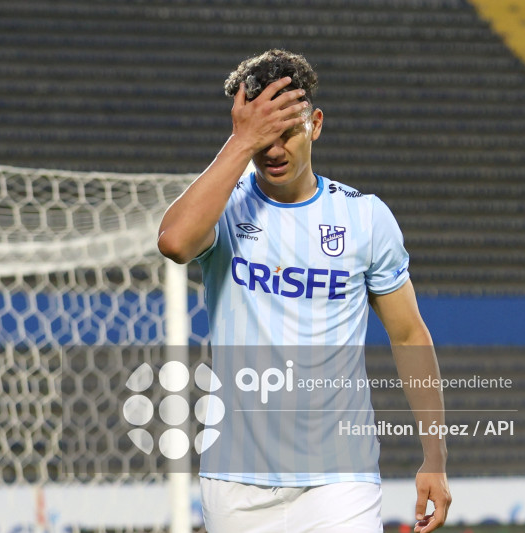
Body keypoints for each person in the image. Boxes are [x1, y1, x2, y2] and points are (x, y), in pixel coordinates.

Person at [158, 49, 451, 533]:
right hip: (236, 481)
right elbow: (173, 242)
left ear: (315, 123)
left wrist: (434, 458)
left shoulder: (365, 217)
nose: (274, 150)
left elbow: (409, 335)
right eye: (262, 137)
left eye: (287, 132)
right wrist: (240, 141)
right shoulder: (224, 209)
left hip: (340, 478)